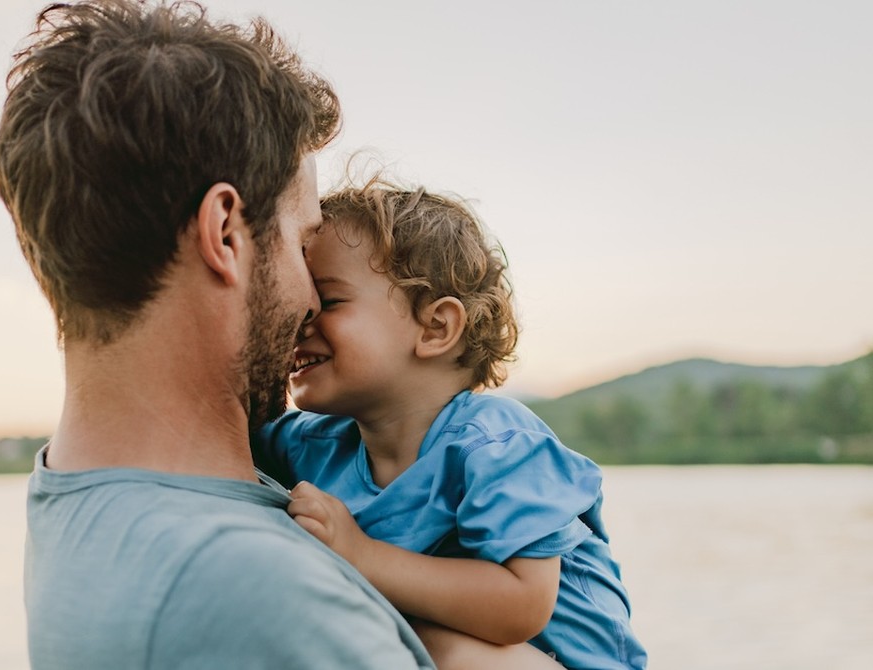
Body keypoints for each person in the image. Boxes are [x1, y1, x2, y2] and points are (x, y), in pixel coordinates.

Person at [0, 2, 434, 668]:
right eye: (302, 241)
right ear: (225, 232)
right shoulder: (259, 594)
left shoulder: (74, 491)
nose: (313, 295)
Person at [255, 173, 648, 669]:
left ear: (437, 327)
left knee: (422, 643)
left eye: (328, 301)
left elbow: (522, 606)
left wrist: (361, 555)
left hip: (563, 662)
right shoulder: (311, 445)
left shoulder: (498, 443)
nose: (300, 317)